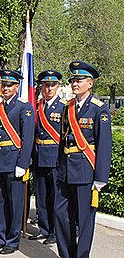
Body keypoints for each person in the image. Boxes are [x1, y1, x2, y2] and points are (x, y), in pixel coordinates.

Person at [54, 61, 112, 258]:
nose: (75, 84)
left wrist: (101, 177)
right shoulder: (67, 107)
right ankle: (67, 254)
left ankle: (81, 255)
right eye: (73, 80)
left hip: (86, 170)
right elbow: (63, 139)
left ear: (90, 83)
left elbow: (104, 144)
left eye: (79, 80)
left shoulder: (99, 109)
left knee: (85, 220)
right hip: (65, 170)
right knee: (60, 214)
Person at [0, 69, 35, 255]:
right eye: (3, 85)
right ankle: (1, 237)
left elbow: (27, 138)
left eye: (9, 85)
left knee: (14, 203)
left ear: (16, 87)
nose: (5, 88)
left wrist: (23, 164)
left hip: (14, 162)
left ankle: (12, 241)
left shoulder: (25, 107)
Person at [29, 70, 66, 244]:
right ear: (41, 87)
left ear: (57, 87)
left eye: (52, 85)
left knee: (55, 197)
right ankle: (44, 228)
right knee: (41, 196)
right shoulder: (37, 106)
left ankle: (55, 232)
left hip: (55, 158)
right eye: (46, 85)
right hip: (39, 156)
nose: (49, 88)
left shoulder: (64, 107)